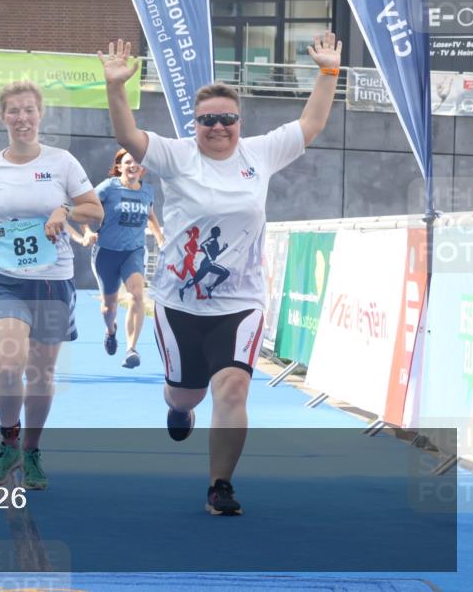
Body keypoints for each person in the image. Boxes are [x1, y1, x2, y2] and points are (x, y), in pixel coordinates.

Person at [100, 33, 342, 515]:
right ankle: (178, 406)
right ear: (194, 124)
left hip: (241, 301)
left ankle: (220, 486)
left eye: (226, 119)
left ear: (239, 122)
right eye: (207, 119)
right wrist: (115, 87)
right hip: (179, 303)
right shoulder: (175, 155)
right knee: (186, 392)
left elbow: (310, 124)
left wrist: (329, 72)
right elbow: (129, 138)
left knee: (232, 387)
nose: (218, 127)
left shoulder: (260, 153)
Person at [0, 81, 103, 490]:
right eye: (14, 111)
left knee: (41, 373)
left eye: (29, 110)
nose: (22, 118)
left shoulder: (62, 162)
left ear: (40, 116)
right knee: (10, 365)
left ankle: (33, 451)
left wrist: (64, 209)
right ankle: (9, 442)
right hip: (2, 278)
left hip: (52, 282)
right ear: (2, 116)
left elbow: (94, 210)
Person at [68, 148, 164, 368]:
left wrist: (160, 237)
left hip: (134, 252)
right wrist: (86, 232)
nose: (133, 166)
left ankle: (131, 349)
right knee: (109, 307)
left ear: (143, 168)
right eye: (128, 162)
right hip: (106, 253)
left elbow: (150, 215)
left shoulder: (147, 191)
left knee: (137, 295)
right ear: (119, 166)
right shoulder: (109, 187)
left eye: (137, 163)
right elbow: (83, 209)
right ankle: (111, 331)